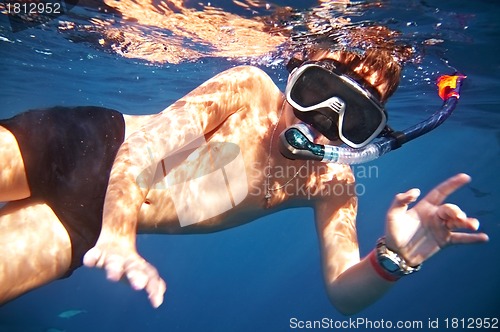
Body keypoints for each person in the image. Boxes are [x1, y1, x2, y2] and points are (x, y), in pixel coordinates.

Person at [0, 29, 488, 315]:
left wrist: (395, 258)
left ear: (366, 136)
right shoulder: (247, 88)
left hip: (87, 223)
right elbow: (143, 150)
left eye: (354, 118)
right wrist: (120, 237)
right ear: (295, 74)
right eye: (316, 91)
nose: (323, 122)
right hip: (77, 145)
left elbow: (344, 294)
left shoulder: (333, 183)